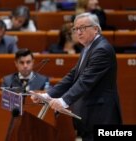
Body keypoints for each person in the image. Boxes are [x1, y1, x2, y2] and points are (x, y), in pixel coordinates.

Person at [31, 13, 122, 141]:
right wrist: (49, 95)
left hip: (102, 115)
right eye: (76, 29)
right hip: (89, 115)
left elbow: (85, 81)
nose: (78, 32)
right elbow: (73, 75)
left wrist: (64, 101)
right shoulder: (88, 47)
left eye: (82, 28)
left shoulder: (102, 49)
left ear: (96, 29)